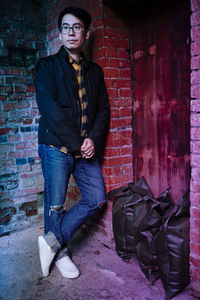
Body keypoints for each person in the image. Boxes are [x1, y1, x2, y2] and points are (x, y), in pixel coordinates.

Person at [35, 6, 110, 279]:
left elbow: (103, 110)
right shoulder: (46, 67)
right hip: (56, 147)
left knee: (96, 198)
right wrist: (79, 142)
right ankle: (62, 253)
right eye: (66, 27)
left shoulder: (96, 72)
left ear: (86, 34)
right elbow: (49, 110)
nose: (70, 32)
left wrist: (93, 139)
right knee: (55, 205)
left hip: (84, 149)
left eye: (76, 27)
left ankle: (51, 242)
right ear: (60, 33)